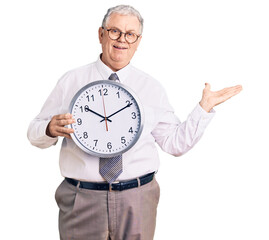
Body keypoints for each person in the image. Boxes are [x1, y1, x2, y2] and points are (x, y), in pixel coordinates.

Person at [27, 5, 242, 240]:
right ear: (101, 34)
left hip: (138, 198)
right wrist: (48, 129)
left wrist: (204, 109)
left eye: (130, 34)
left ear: (138, 41)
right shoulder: (71, 81)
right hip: (81, 199)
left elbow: (175, 144)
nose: (122, 40)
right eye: (114, 31)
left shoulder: (151, 88)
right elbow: (33, 132)